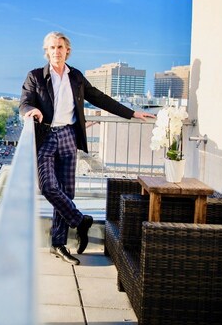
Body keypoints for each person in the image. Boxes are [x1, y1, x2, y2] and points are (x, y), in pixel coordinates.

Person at [20, 31, 155, 265]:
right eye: (52, 48)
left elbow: (100, 98)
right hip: (45, 136)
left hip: (69, 135)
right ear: (46, 51)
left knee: (67, 191)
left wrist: (131, 113)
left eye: (60, 47)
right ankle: (80, 221)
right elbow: (25, 102)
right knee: (48, 187)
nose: (56, 51)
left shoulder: (77, 77)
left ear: (67, 50)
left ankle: (58, 244)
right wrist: (32, 111)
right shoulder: (35, 76)